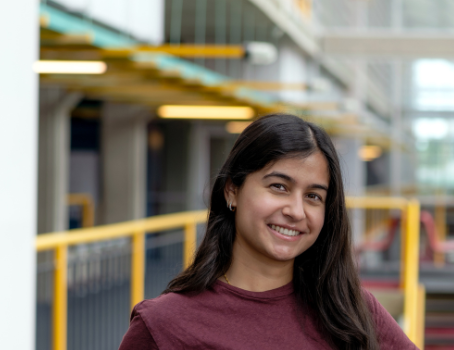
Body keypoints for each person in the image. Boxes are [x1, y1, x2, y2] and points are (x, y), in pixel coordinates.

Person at [119, 114, 417, 350]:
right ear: (232, 190)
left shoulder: (353, 312)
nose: (296, 211)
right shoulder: (163, 326)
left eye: (313, 196)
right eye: (279, 187)